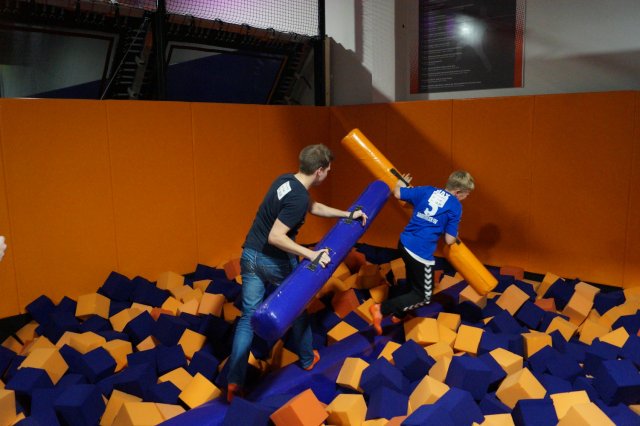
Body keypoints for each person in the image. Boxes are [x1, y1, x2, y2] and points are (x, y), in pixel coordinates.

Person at [226, 144, 368, 402]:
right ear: (320, 170)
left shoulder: (286, 180)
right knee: (297, 307)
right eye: (328, 170)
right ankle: (306, 358)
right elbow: (276, 236)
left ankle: (234, 381)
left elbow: (314, 207)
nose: (329, 173)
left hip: (249, 255)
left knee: (248, 317)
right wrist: (311, 254)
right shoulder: (299, 197)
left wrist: (348, 214)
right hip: (272, 260)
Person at [369, 170, 475, 335]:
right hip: (420, 252)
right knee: (423, 296)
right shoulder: (455, 206)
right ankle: (381, 309)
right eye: (466, 194)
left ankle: (399, 315)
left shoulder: (427, 190)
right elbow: (449, 240)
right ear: (458, 192)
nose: (465, 198)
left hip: (404, 243)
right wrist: (454, 233)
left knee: (413, 282)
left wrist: (401, 184)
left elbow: (397, 193)